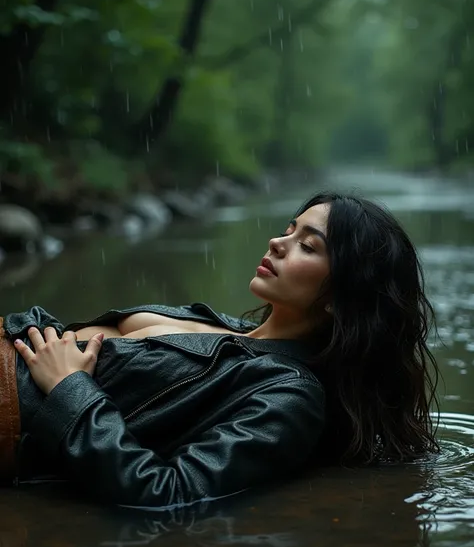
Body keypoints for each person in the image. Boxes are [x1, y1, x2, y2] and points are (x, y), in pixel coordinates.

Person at [0, 192, 440, 507]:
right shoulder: (226, 326)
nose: (277, 242)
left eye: (307, 245)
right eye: (289, 229)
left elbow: (168, 493)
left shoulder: (291, 396)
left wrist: (70, 389)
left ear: (342, 295)